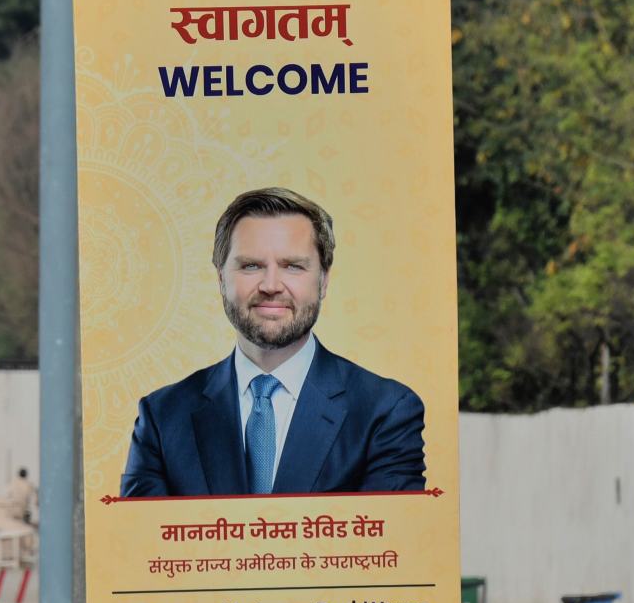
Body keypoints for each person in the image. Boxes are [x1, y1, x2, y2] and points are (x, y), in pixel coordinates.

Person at [120, 187, 425, 498]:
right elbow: (143, 543)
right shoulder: (161, 418)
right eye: (251, 265)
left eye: (293, 265)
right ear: (221, 278)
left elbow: (390, 542)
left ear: (323, 280)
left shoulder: (385, 412)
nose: (270, 286)